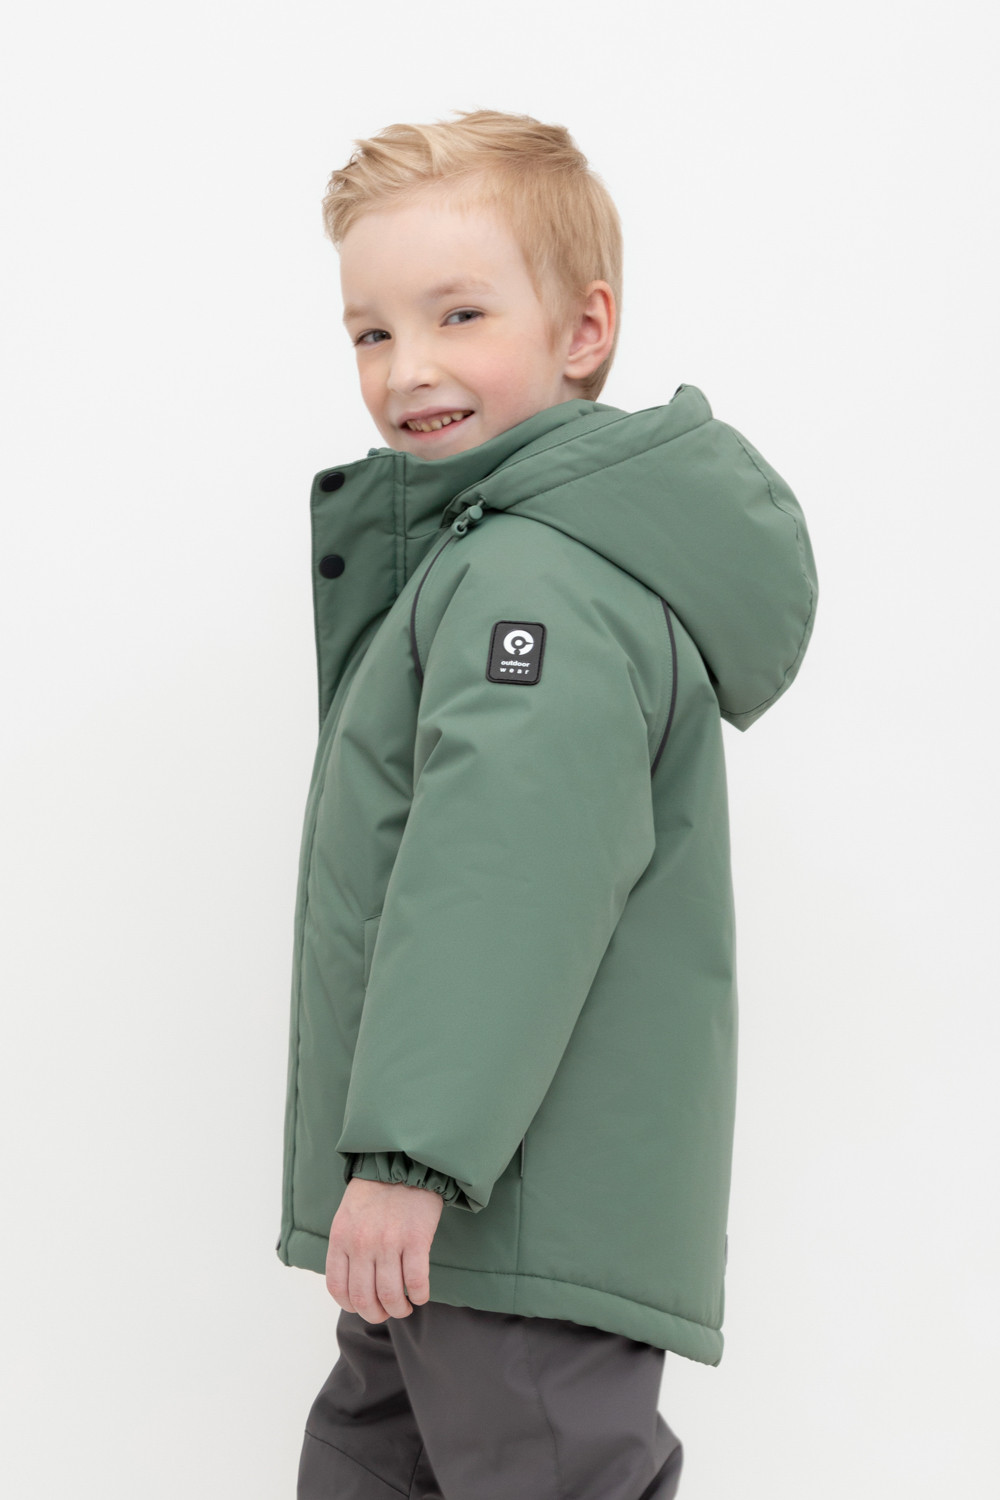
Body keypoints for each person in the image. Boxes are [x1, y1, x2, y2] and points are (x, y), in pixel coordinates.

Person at [276, 108, 819, 1499]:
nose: (409, 367)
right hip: (466, 1209)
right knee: (375, 1466)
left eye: (458, 314)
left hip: (504, 1202)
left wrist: (409, 1157)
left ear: (583, 330)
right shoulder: (487, 563)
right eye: (373, 331)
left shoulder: (537, 584)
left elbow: (501, 886)